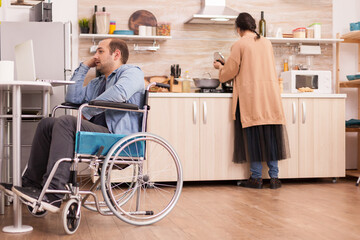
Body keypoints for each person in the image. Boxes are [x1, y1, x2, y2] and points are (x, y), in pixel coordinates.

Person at [0, 38, 144, 212]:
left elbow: (120, 93)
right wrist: (84, 66)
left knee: (67, 122)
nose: (95, 56)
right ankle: (32, 184)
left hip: (118, 138)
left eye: (100, 51)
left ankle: (53, 194)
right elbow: (73, 98)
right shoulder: (98, 82)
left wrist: (88, 111)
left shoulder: (132, 72)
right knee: (47, 124)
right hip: (99, 135)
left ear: (116, 54)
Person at [213, 12, 290, 189]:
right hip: (270, 95)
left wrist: (220, 67)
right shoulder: (267, 42)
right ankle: (275, 178)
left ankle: (256, 178)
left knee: (253, 136)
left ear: (239, 29)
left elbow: (228, 73)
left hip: (251, 96)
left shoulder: (239, 44)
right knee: (271, 135)